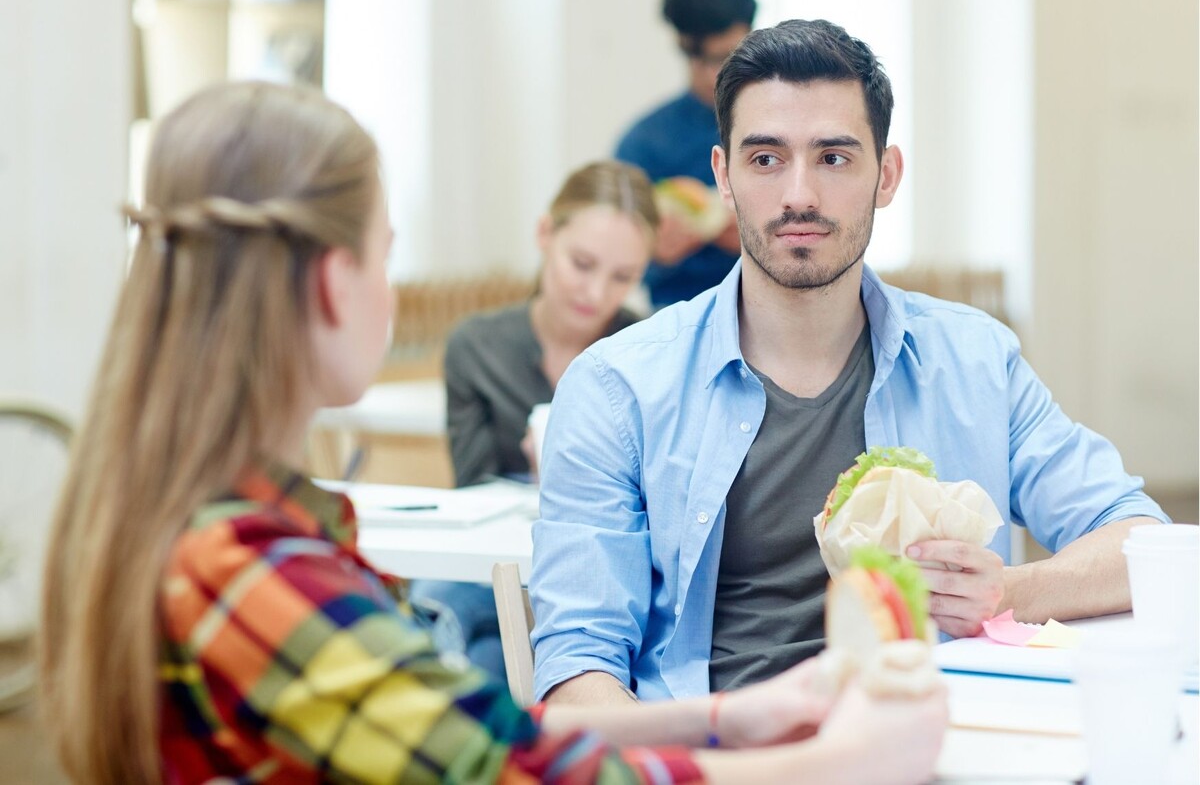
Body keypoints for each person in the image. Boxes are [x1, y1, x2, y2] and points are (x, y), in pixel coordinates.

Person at [37, 81, 948, 785]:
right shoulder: (246, 569)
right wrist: (837, 764)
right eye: (386, 255)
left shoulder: (227, 532)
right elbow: (513, 775)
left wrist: (730, 719)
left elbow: (482, 731)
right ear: (330, 281)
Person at [530, 18, 1170, 705]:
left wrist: (1008, 591)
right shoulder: (617, 387)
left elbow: (1140, 543)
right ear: (723, 175)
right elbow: (576, 670)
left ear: (886, 175)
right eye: (766, 159)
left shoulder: (974, 360)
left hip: (937, 747)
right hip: (718, 757)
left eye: (833, 158)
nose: (799, 195)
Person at [411, 159, 659, 680]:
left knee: (460, 631)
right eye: (582, 263)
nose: (596, 293)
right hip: (498, 561)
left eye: (623, 277)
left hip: (600, 569)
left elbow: (659, 513)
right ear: (545, 234)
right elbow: (472, 492)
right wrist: (533, 478)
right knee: (471, 629)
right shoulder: (477, 348)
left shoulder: (647, 351)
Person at [616, 0, 755, 308]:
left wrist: (761, 239)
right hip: (675, 318)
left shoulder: (785, 127)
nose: (713, 76)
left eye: (727, 56)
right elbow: (611, 258)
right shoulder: (645, 143)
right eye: (698, 59)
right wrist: (653, 254)